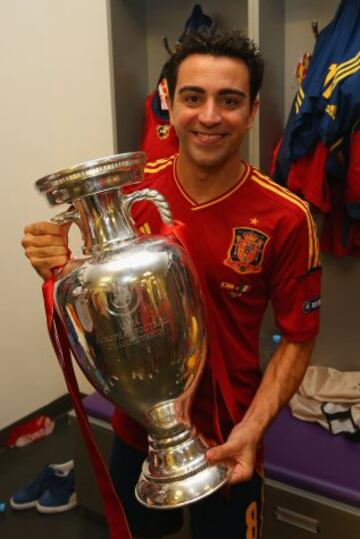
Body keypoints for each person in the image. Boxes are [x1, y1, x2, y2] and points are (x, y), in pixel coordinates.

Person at [21, 28, 321, 539]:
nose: (208, 116)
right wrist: (54, 259)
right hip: (137, 433)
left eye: (229, 101)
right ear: (168, 102)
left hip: (233, 436)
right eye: (192, 97)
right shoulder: (129, 195)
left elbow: (298, 336)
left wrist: (252, 430)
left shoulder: (287, 217)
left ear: (251, 112)